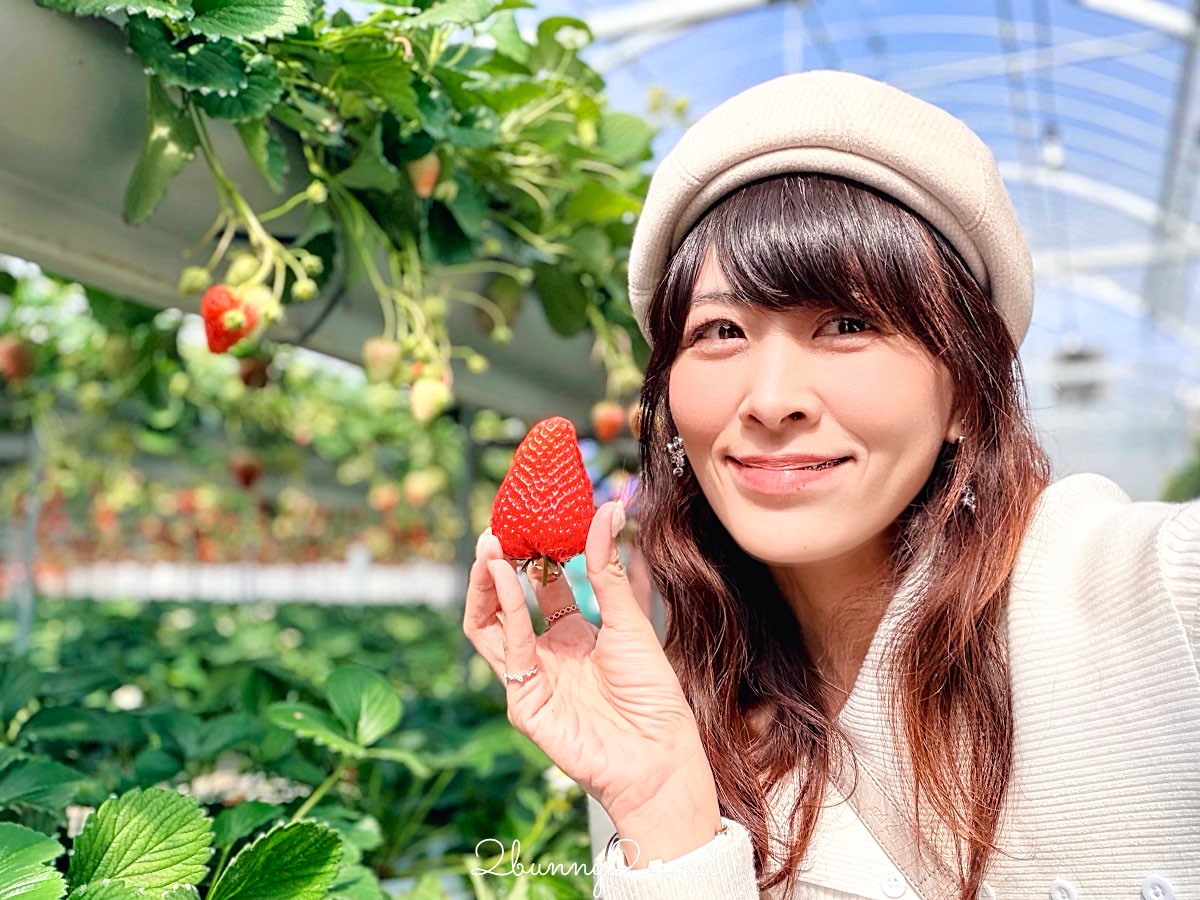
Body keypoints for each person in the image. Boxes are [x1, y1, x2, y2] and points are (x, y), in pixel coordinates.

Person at [462, 70, 1200, 900]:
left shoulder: (1157, 600)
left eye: (847, 324)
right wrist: (667, 815)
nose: (772, 400)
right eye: (721, 331)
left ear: (964, 391)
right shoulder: (667, 723)